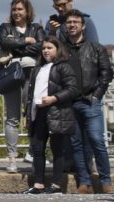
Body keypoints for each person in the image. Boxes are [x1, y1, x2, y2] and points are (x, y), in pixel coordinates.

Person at [62, 9, 114, 193]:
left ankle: (106, 180)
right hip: (70, 103)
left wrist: (97, 95)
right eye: (69, 22)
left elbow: (107, 73)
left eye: (76, 22)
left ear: (83, 26)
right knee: (76, 144)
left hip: (90, 100)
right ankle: (84, 182)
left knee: (95, 140)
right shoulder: (62, 49)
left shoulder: (95, 48)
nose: (72, 25)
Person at [22, 37, 77, 194]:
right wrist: (27, 114)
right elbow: (31, 93)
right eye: (44, 48)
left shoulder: (63, 67)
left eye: (50, 47)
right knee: (37, 149)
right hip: (37, 112)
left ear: (58, 49)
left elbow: (73, 88)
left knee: (57, 150)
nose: (46, 50)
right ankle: (38, 183)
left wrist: (54, 98)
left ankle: (56, 184)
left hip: (56, 112)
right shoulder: (38, 68)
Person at [0, 0, 44, 173]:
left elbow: (40, 47)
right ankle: (12, 158)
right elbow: (4, 42)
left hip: (32, 75)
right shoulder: (5, 27)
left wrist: (16, 45)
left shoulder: (37, 28)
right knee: (13, 117)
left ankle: (35, 154)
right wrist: (26, 41)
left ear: (27, 11)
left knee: (33, 115)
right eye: (14, 9)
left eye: (20, 9)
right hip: (11, 76)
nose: (16, 12)